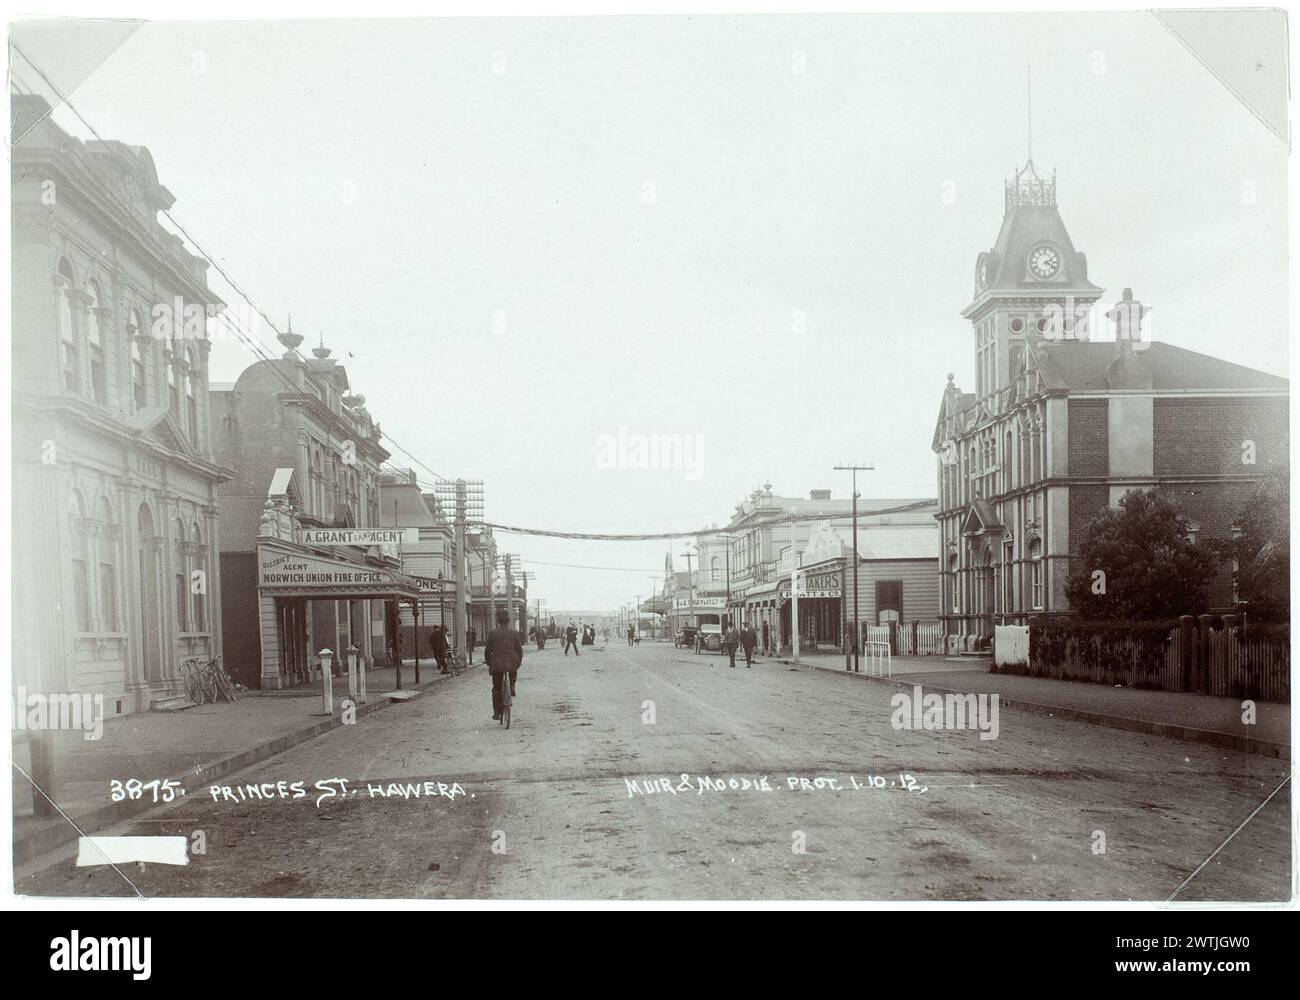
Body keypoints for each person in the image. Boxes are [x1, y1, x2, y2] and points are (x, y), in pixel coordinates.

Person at [484, 608, 522, 721]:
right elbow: (519, 650)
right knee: (513, 669)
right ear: (508, 621)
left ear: (498, 621)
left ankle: (497, 712)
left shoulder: (493, 633)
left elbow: (487, 651)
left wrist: (489, 662)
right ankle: (512, 684)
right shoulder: (514, 633)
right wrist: (518, 661)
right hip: (511, 663)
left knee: (496, 688)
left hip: (497, 664)